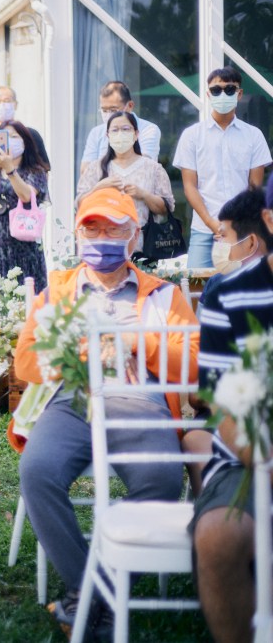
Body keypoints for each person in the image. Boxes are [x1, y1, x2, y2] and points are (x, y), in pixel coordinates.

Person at [13, 188, 198, 635]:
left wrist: (134, 341)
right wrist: (86, 351)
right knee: (38, 472)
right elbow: (25, 361)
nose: (101, 239)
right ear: (78, 237)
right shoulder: (59, 290)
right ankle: (96, 590)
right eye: (91, 229)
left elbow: (194, 362)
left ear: (134, 237)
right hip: (75, 399)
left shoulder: (164, 296)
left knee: (162, 481)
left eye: (113, 230)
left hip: (142, 402)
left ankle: (89, 598)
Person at [191, 190, 273, 643]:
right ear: (269, 221)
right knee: (218, 537)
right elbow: (218, 400)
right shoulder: (229, 293)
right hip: (247, 456)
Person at [174, 67, 271, 269]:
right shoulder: (192, 135)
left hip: (242, 230)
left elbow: (253, 188)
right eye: (216, 90)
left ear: (239, 93)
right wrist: (211, 223)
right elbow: (190, 187)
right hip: (203, 229)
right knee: (197, 283)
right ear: (208, 94)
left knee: (245, 283)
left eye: (229, 89)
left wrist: (235, 224)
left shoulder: (254, 135)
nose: (223, 94)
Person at [76, 111, 174, 256]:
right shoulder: (95, 168)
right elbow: (80, 205)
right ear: (107, 136)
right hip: (104, 247)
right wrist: (99, 188)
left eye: (126, 129)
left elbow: (166, 208)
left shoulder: (153, 169)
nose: (120, 134)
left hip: (144, 249)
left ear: (136, 134)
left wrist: (144, 195)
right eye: (115, 130)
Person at [0, 119, 50, 292]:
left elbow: (26, 196)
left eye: (15, 136)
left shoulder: (35, 171)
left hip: (25, 244)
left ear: (25, 141)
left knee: (27, 296)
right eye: (5, 136)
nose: (10, 141)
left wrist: (10, 170)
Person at [79, 81, 161, 173]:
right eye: (104, 110)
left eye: (113, 110)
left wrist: (102, 171)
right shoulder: (96, 132)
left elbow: (144, 166)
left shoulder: (148, 129)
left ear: (130, 106)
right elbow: (85, 171)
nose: (108, 115)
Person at [0, 86, 50, 168]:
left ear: (15, 104)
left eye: (7, 101)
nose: (2, 105)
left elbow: (45, 166)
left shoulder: (31, 134)